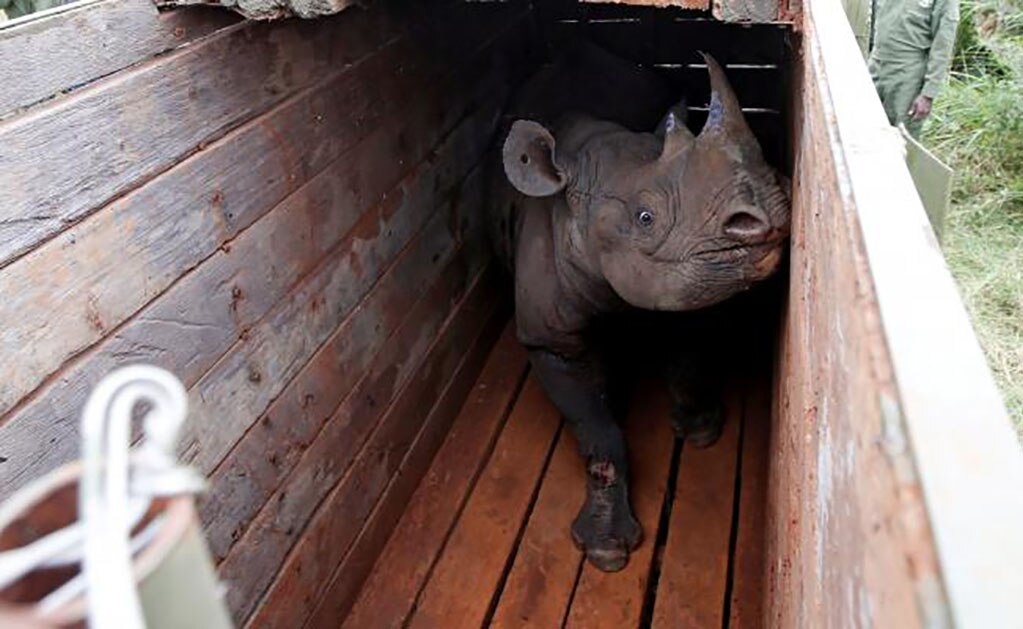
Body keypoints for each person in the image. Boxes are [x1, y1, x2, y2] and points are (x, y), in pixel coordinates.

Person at [868, 0, 960, 138]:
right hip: (876, 62)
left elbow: (943, 42)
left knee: (902, 139)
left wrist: (928, 93)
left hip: (908, 74)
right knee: (865, 129)